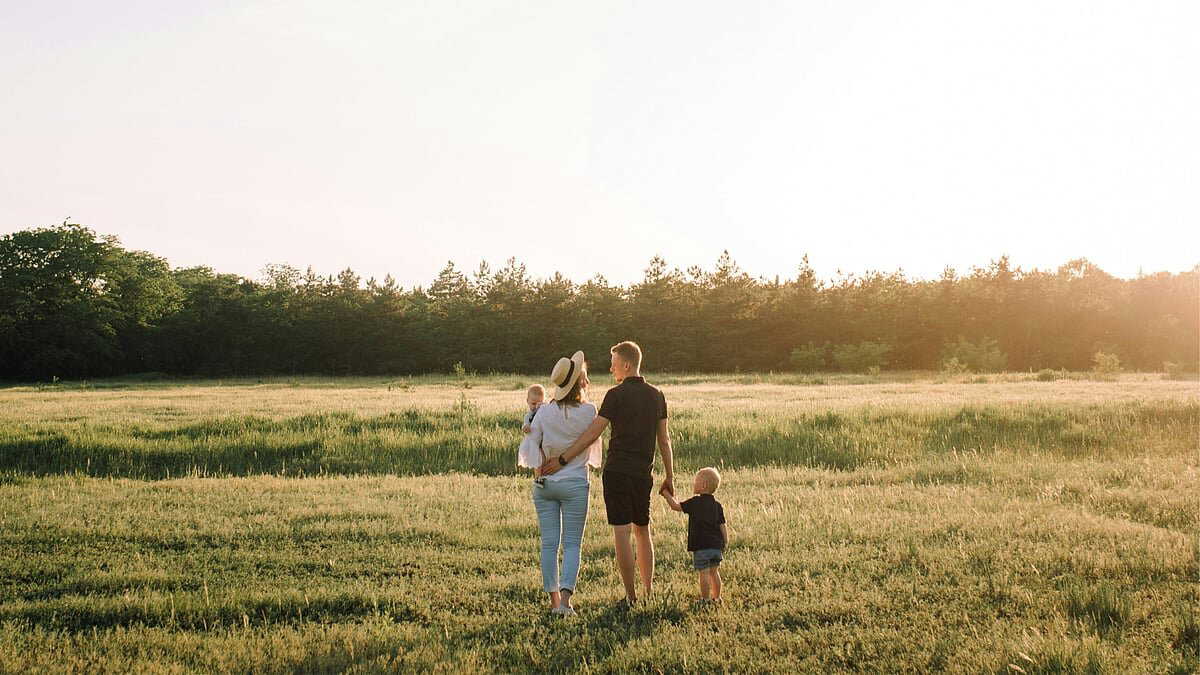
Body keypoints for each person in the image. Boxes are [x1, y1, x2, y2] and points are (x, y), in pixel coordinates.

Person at [539, 340, 674, 606]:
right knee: (643, 530)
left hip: (617, 473)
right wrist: (670, 476)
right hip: (643, 473)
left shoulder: (615, 395)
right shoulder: (657, 395)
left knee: (622, 533)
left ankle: (631, 596)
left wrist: (563, 459)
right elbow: (664, 439)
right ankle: (648, 592)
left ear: (627, 365)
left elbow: (593, 433)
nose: (611, 369)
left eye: (614, 364)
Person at [518, 351, 602, 616]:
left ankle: (554, 603)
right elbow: (593, 446)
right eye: (585, 377)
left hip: (545, 484)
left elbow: (532, 445)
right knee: (573, 543)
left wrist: (539, 468)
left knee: (549, 544)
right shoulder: (589, 411)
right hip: (575, 483)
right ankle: (565, 603)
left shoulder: (543, 412)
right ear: (579, 383)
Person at [660, 467, 727, 603]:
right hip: (716, 547)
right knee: (714, 572)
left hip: (702, 547)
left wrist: (666, 494)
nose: (694, 483)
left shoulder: (695, 503)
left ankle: (705, 599)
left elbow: (675, 506)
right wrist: (725, 541)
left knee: (704, 573)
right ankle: (717, 598)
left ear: (704, 485)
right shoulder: (717, 505)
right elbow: (722, 525)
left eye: (696, 481)